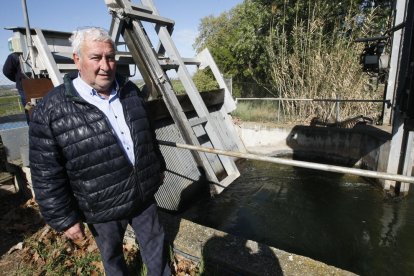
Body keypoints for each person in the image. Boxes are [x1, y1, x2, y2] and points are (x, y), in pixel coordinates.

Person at [29, 27, 171, 276]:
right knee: (113, 258)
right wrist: (65, 218)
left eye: (111, 57)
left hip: (142, 194)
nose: (106, 65)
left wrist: (157, 167)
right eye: (96, 57)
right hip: (101, 204)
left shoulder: (130, 91)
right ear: (77, 60)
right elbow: (46, 172)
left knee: (157, 250)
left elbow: (147, 135)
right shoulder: (53, 109)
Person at [2, 52, 30, 123]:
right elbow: (7, 71)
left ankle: (32, 126)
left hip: (24, 88)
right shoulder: (15, 56)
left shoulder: (14, 56)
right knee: (29, 109)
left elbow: (7, 71)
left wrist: (18, 79)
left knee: (29, 109)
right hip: (27, 88)